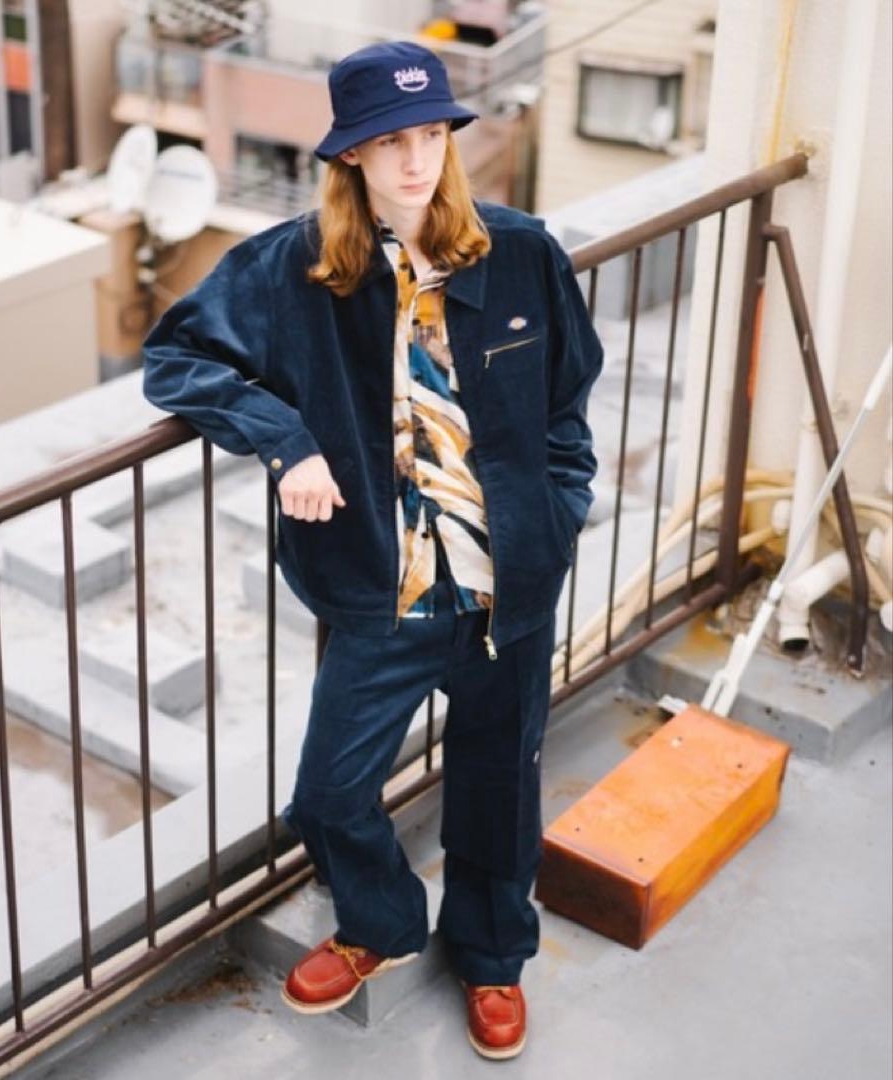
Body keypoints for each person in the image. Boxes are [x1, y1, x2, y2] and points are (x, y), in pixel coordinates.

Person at [142, 39, 603, 1061]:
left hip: (509, 588)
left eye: (431, 134)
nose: (416, 160)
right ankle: (382, 925)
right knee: (330, 794)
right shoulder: (293, 269)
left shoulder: (521, 252)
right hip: (380, 594)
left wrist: (559, 511)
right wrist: (285, 441)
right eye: (391, 141)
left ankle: (492, 956)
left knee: (499, 788)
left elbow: (568, 396)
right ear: (350, 153)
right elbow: (175, 355)